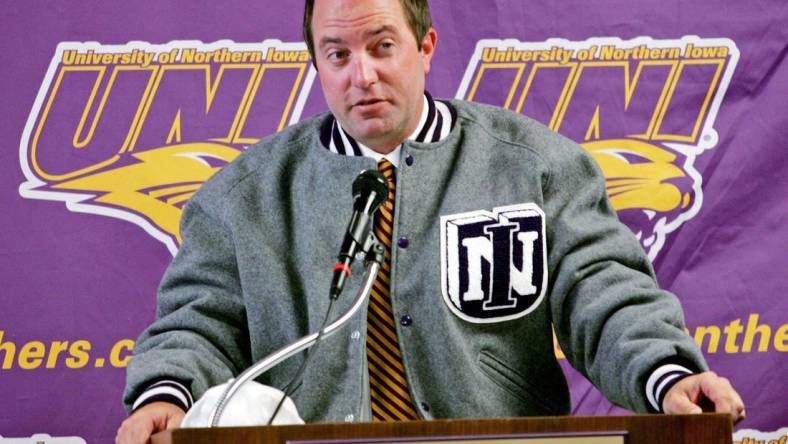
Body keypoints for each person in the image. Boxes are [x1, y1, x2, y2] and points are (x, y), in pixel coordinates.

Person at [116, 0, 745, 442]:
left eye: (382, 46)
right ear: (315, 63)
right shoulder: (241, 198)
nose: (361, 74)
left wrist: (667, 374)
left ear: (426, 46)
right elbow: (196, 324)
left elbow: (604, 294)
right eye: (337, 54)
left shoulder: (533, 166)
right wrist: (164, 394)